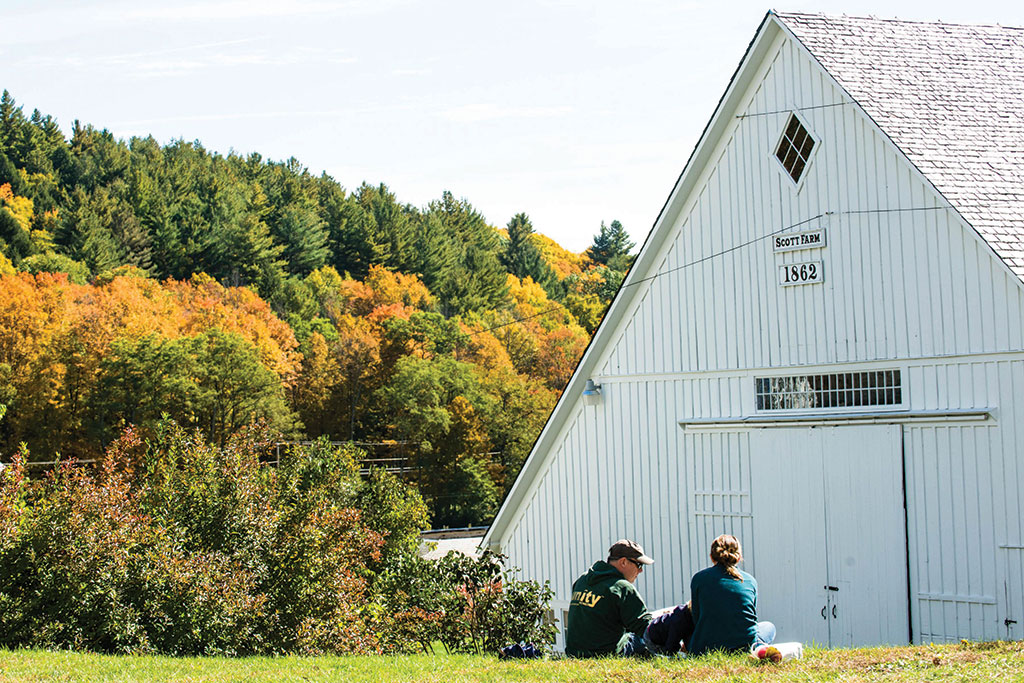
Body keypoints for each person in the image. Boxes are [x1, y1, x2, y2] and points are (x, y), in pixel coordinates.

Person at [687, 534, 775, 657]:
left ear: (712, 557)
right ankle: (758, 647)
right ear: (738, 557)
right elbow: (750, 617)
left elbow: (696, 617)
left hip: (706, 646)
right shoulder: (750, 580)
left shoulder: (699, 578)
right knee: (768, 627)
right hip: (744, 644)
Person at [565, 539, 654, 657]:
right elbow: (644, 626)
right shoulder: (621, 587)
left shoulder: (582, 580)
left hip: (574, 654)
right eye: (639, 564)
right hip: (605, 654)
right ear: (623, 562)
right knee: (644, 637)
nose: (641, 570)